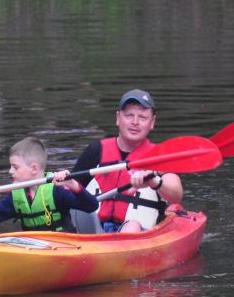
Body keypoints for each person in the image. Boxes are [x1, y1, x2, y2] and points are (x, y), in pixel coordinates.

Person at [57, 89, 183, 233]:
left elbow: (176, 195)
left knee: (132, 226)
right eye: (129, 115)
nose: (135, 122)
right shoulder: (96, 150)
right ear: (118, 118)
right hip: (95, 230)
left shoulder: (159, 156)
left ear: (152, 122)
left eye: (142, 117)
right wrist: (63, 181)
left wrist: (155, 182)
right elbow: (72, 191)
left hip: (139, 233)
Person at [0, 136, 98, 232]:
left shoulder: (57, 191)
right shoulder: (16, 197)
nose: (10, 171)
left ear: (33, 168)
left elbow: (92, 206)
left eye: (15, 167)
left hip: (65, 248)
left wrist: (73, 184)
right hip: (34, 248)